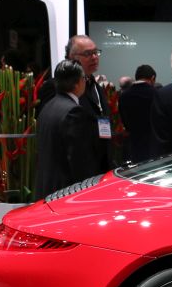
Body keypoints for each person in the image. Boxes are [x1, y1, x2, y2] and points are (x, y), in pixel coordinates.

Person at [33, 60, 104, 200]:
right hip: (64, 192)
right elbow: (79, 159)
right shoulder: (74, 112)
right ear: (78, 83)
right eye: (84, 78)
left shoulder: (48, 107)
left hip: (45, 187)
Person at [118, 64, 158, 163]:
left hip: (133, 144)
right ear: (152, 78)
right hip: (153, 144)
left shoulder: (123, 96)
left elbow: (123, 120)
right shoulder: (156, 93)